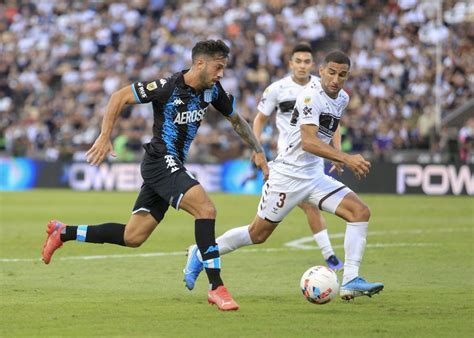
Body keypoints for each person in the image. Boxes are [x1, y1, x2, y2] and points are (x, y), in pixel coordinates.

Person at [41, 40, 269, 312]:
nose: (221, 74)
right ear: (200, 63)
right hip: (160, 160)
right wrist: (104, 136)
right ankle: (216, 287)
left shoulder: (213, 92)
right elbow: (119, 97)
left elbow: (236, 120)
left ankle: (63, 232)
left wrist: (257, 149)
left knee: (133, 236)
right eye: (218, 67)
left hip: (170, 165)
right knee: (205, 209)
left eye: (223, 68)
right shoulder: (167, 87)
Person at [184, 50, 384, 302]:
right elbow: (309, 142)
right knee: (257, 234)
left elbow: (331, 126)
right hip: (287, 176)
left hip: (314, 176)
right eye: (331, 72)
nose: (336, 79)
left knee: (359, 212)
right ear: (320, 71)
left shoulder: (342, 97)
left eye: (342, 75)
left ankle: (351, 279)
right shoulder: (311, 97)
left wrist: (337, 153)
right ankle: (200, 253)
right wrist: (344, 158)